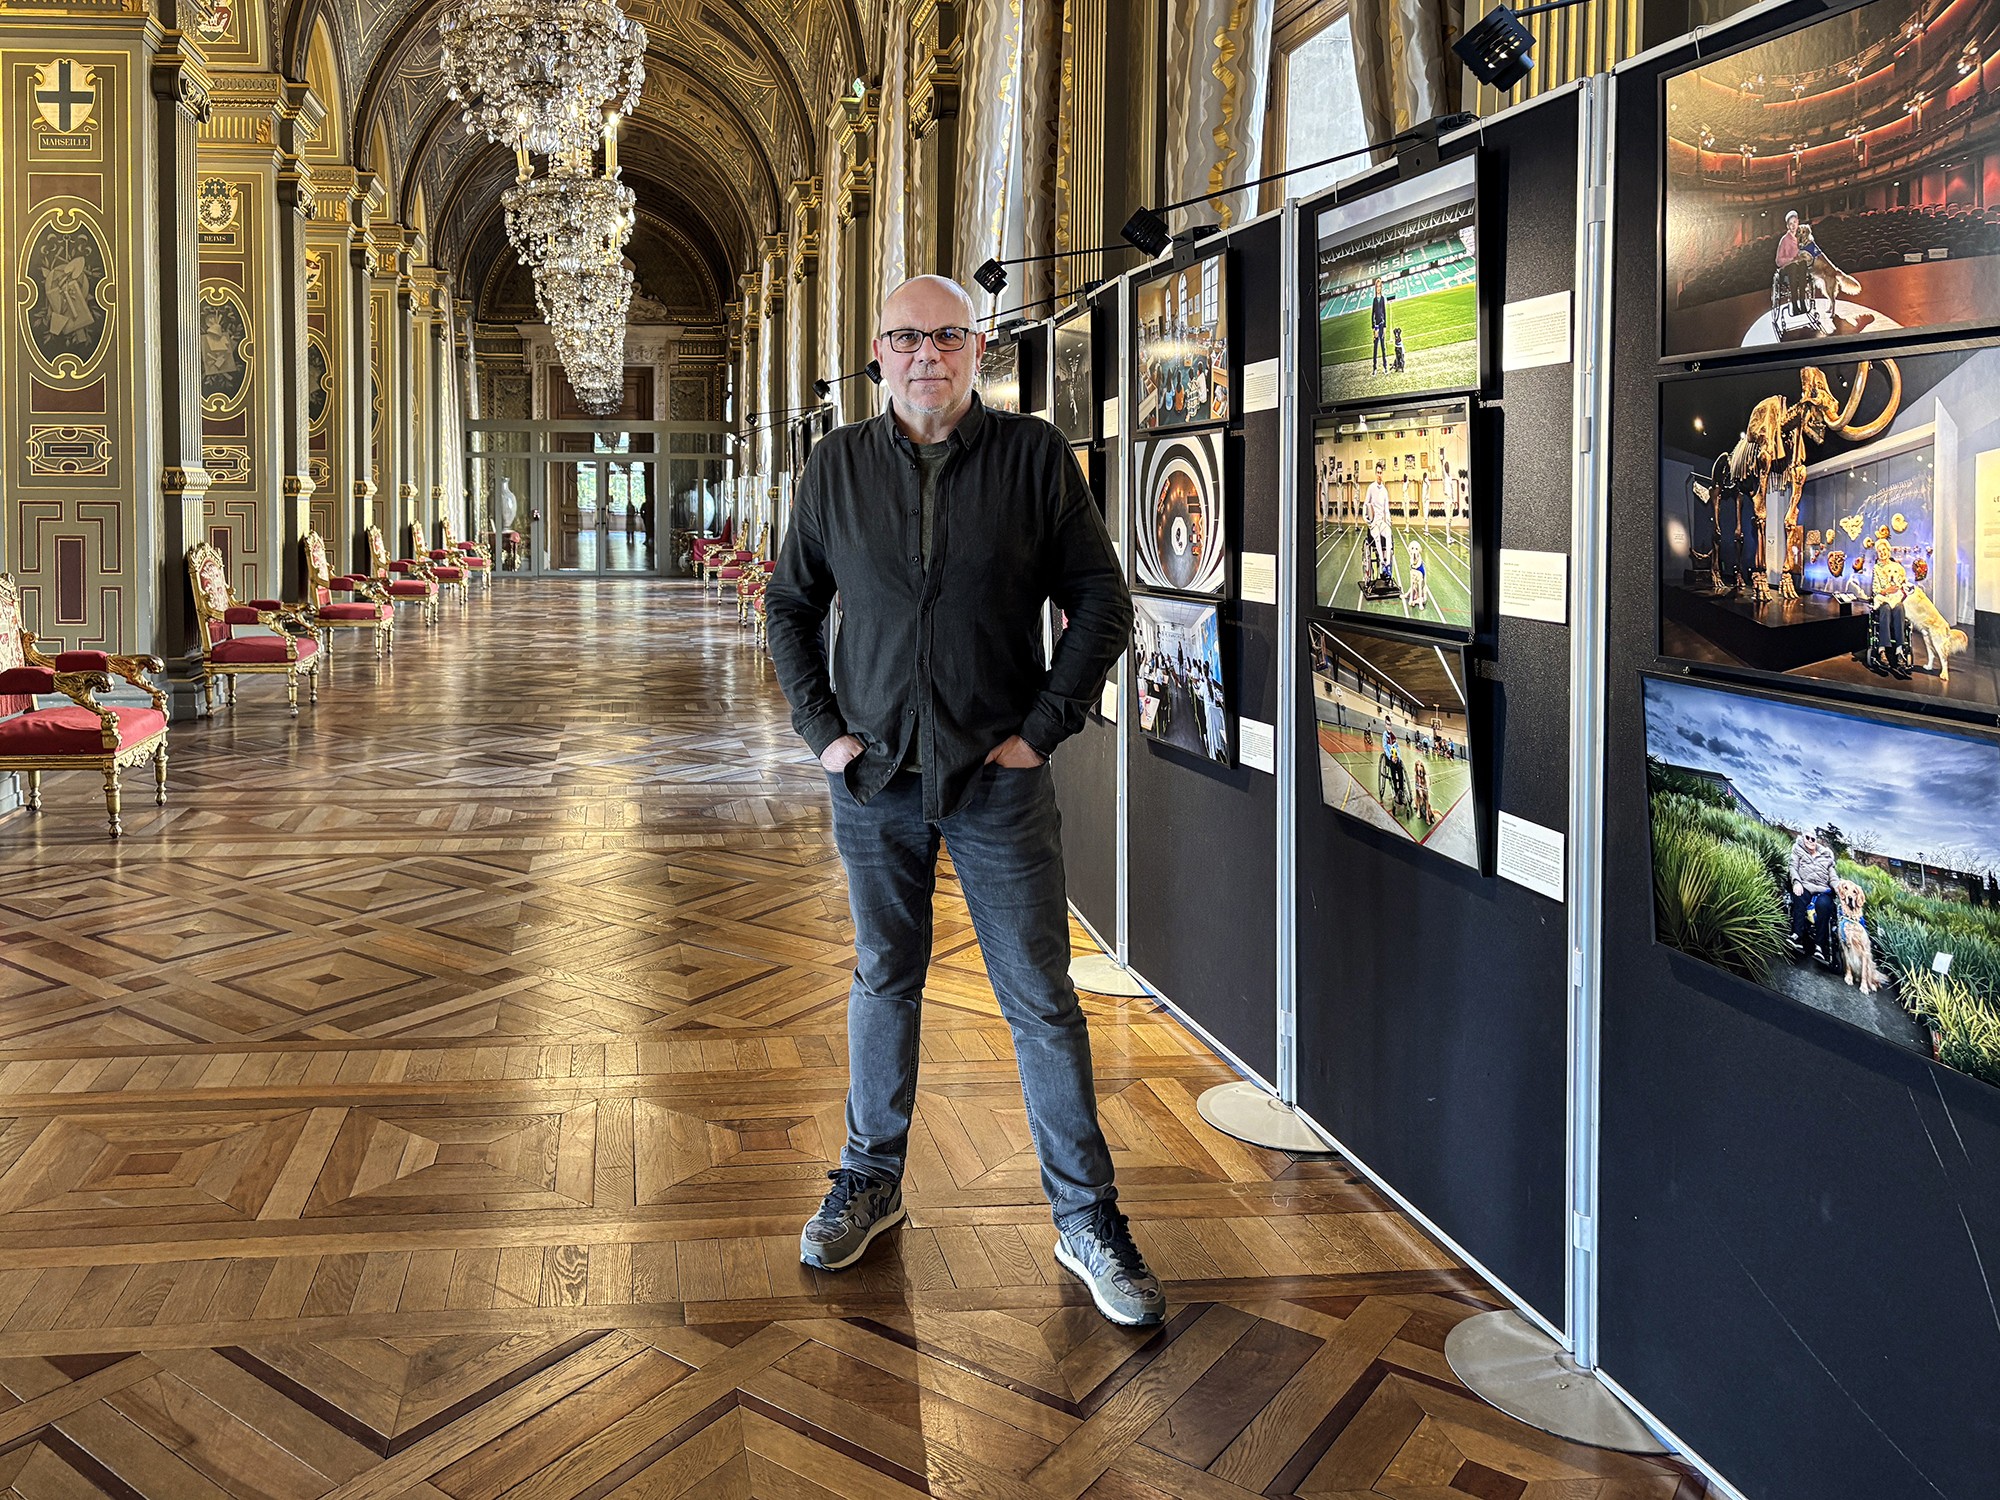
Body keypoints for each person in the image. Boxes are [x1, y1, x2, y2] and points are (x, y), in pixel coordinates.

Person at [764, 274, 1164, 1329]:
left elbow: (1100, 601)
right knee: (882, 978)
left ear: (977, 346)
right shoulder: (836, 465)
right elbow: (790, 607)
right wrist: (824, 737)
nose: (925, 354)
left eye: (945, 335)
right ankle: (869, 1178)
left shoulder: (1032, 456)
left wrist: (1041, 732)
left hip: (996, 786)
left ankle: (1084, 1216)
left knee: (1038, 999)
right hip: (875, 782)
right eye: (904, 336)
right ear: (878, 351)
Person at [1786, 826, 1837, 963]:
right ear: (1803, 838)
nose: (1810, 840)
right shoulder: (1798, 851)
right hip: (1805, 885)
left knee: (1824, 904)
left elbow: (1833, 878)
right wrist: (1796, 882)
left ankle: (1820, 947)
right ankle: (1797, 935)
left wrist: (1838, 889)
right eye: (1807, 837)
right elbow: (1792, 867)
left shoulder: (1826, 856)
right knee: (1800, 896)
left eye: (1812, 838)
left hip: (1823, 889)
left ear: (1816, 841)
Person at [1371, 277, 1390, 371]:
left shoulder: (1382, 299)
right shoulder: (1374, 300)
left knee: (1383, 346)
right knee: (1375, 347)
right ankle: (1374, 367)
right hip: (1376, 326)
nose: (1378, 288)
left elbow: (1384, 312)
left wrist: (1385, 326)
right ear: (1375, 288)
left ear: (1381, 288)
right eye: (1377, 286)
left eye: (1380, 286)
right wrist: (1373, 328)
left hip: (1382, 325)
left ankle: (1385, 366)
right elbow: (1372, 314)